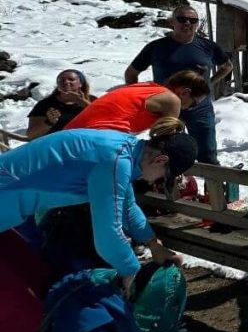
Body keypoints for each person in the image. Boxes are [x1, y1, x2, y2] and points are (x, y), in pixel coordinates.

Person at [0, 118, 194, 293]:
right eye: (163, 177)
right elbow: (107, 233)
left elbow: (127, 207)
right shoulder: (115, 161)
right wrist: (130, 271)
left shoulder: (124, 150)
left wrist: (153, 244)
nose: (156, 182)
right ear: (160, 160)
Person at [125, 4, 234, 198]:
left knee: (208, 155)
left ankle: (215, 200)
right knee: (165, 155)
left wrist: (209, 84)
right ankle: (169, 199)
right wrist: (137, 98)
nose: (187, 24)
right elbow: (132, 72)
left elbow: (227, 66)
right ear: (172, 22)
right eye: (182, 19)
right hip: (166, 110)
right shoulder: (157, 47)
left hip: (199, 110)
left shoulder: (207, 46)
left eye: (193, 20)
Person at [64, 69, 208, 134]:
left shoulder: (145, 87)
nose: (190, 108)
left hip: (68, 136)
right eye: (194, 103)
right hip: (91, 141)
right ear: (185, 92)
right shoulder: (172, 99)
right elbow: (166, 140)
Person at [26, 69, 97, 139]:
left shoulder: (92, 100)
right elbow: (31, 135)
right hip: (56, 144)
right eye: (61, 80)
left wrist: (83, 103)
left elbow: (105, 120)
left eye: (71, 79)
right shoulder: (45, 104)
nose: (66, 82)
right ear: (58, 85)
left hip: (86, 142)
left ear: (80, 84)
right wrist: (49, 122)